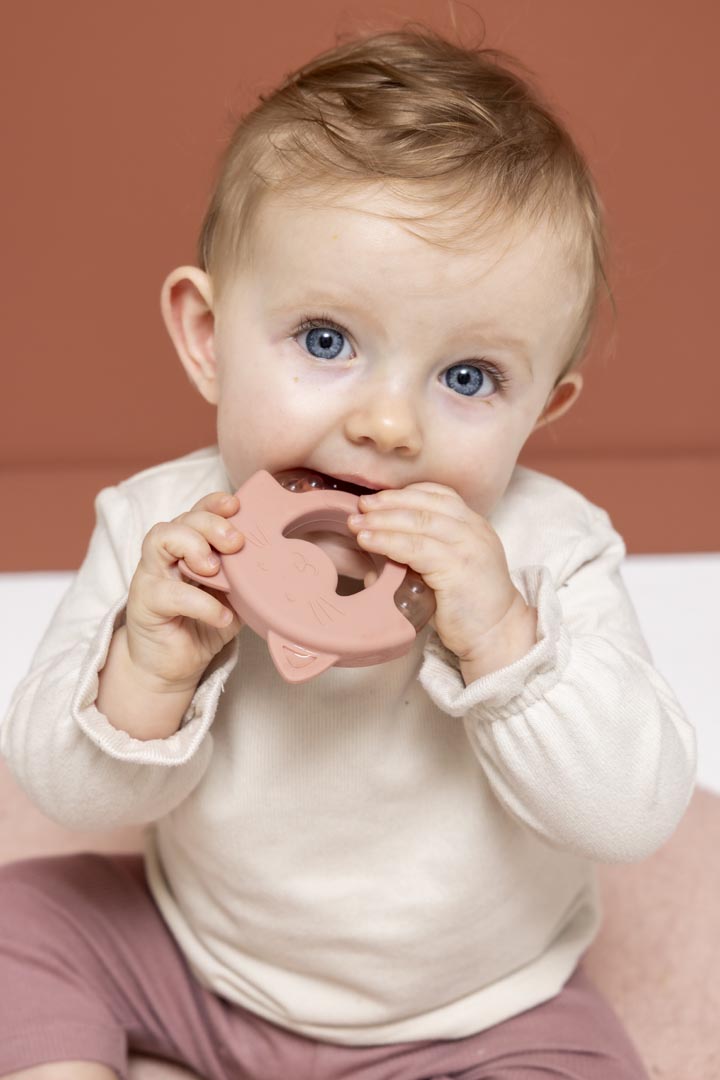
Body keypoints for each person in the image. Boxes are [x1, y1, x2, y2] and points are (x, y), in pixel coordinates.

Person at [0, 22, 696, 1080]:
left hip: (477, 1012)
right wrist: (148, 672)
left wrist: (504, 645)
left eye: (467, 378)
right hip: (198, 961)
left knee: (584, 1064)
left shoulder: (551, 551)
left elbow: (633, 816)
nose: (386, 425)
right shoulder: (166, 528)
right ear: (207, 336)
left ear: (540, 410)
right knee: (20, 923)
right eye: (326, 342)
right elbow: (70, 798)